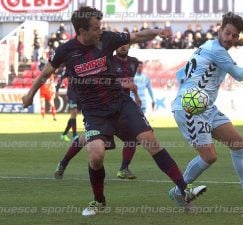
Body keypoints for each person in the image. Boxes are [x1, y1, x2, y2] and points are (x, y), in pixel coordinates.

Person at [22, 6, 205, 216]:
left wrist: (156, 31)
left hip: (120, 103)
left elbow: (136, 36)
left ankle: (184, 190)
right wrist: (29, 95)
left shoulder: (107, 39)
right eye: (96, 28)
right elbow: (45, 73)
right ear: (82, 31)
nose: (101, 30)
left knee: (150, 140)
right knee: (96, 155)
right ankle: (98, 201)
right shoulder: (65, 51)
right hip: (94, 112)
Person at [169, 12, 243, 208]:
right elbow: (240, 75)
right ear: (220, 30)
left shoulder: (207, 46)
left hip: (205, 106)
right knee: (209, 157)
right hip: (190, 108)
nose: (230, 38)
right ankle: (178, 191)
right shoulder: (216, 50)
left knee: (238, 143)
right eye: (227, 33)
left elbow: (181, 74)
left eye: (234, 35)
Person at [54, 44, 141, 180]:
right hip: (103, 104)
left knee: (132, 138)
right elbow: (100, 80)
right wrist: (121, 84)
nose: (123, 47)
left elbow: (130, 82)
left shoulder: (133, 62)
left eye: (126, 44)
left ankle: (124, 169)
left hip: (122, 105)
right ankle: (63, 163)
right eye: (120, 44)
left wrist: (136, 96)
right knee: (87, 138)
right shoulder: (107, 61)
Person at [56, 67, 79, 142]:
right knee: (74, 112)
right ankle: (75, 135)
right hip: (72, 93)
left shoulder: (83, 65)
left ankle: (64, 134)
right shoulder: (69, 67)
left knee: (74, 115)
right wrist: (57, 89)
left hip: (81, 94)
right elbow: (60, 78)